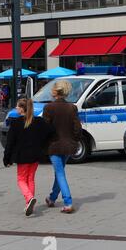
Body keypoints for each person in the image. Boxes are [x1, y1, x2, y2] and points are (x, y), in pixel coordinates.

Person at [3, 98, 55, 216]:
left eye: (17, 106)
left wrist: (6, 159)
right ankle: (29, 203)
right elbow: (51, 131)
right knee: (30, 179)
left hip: (22, 157)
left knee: (21, 180)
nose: (16, 108)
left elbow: (9, 143)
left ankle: (29, 198)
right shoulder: (39, 121)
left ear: (22, 109)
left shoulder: (16, 123)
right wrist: (42, 144)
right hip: (36, 155)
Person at [43, 80, 82, 214]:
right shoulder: (72, 107)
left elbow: (46, 129)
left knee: (60, 173)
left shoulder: (48, 108)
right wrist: (74, 141)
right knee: (59, 173)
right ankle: (52, 197)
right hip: (68, 145)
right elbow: (77, 129)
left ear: (55, 91)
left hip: (54, 145)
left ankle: (68, 202)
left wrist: (45, 143)